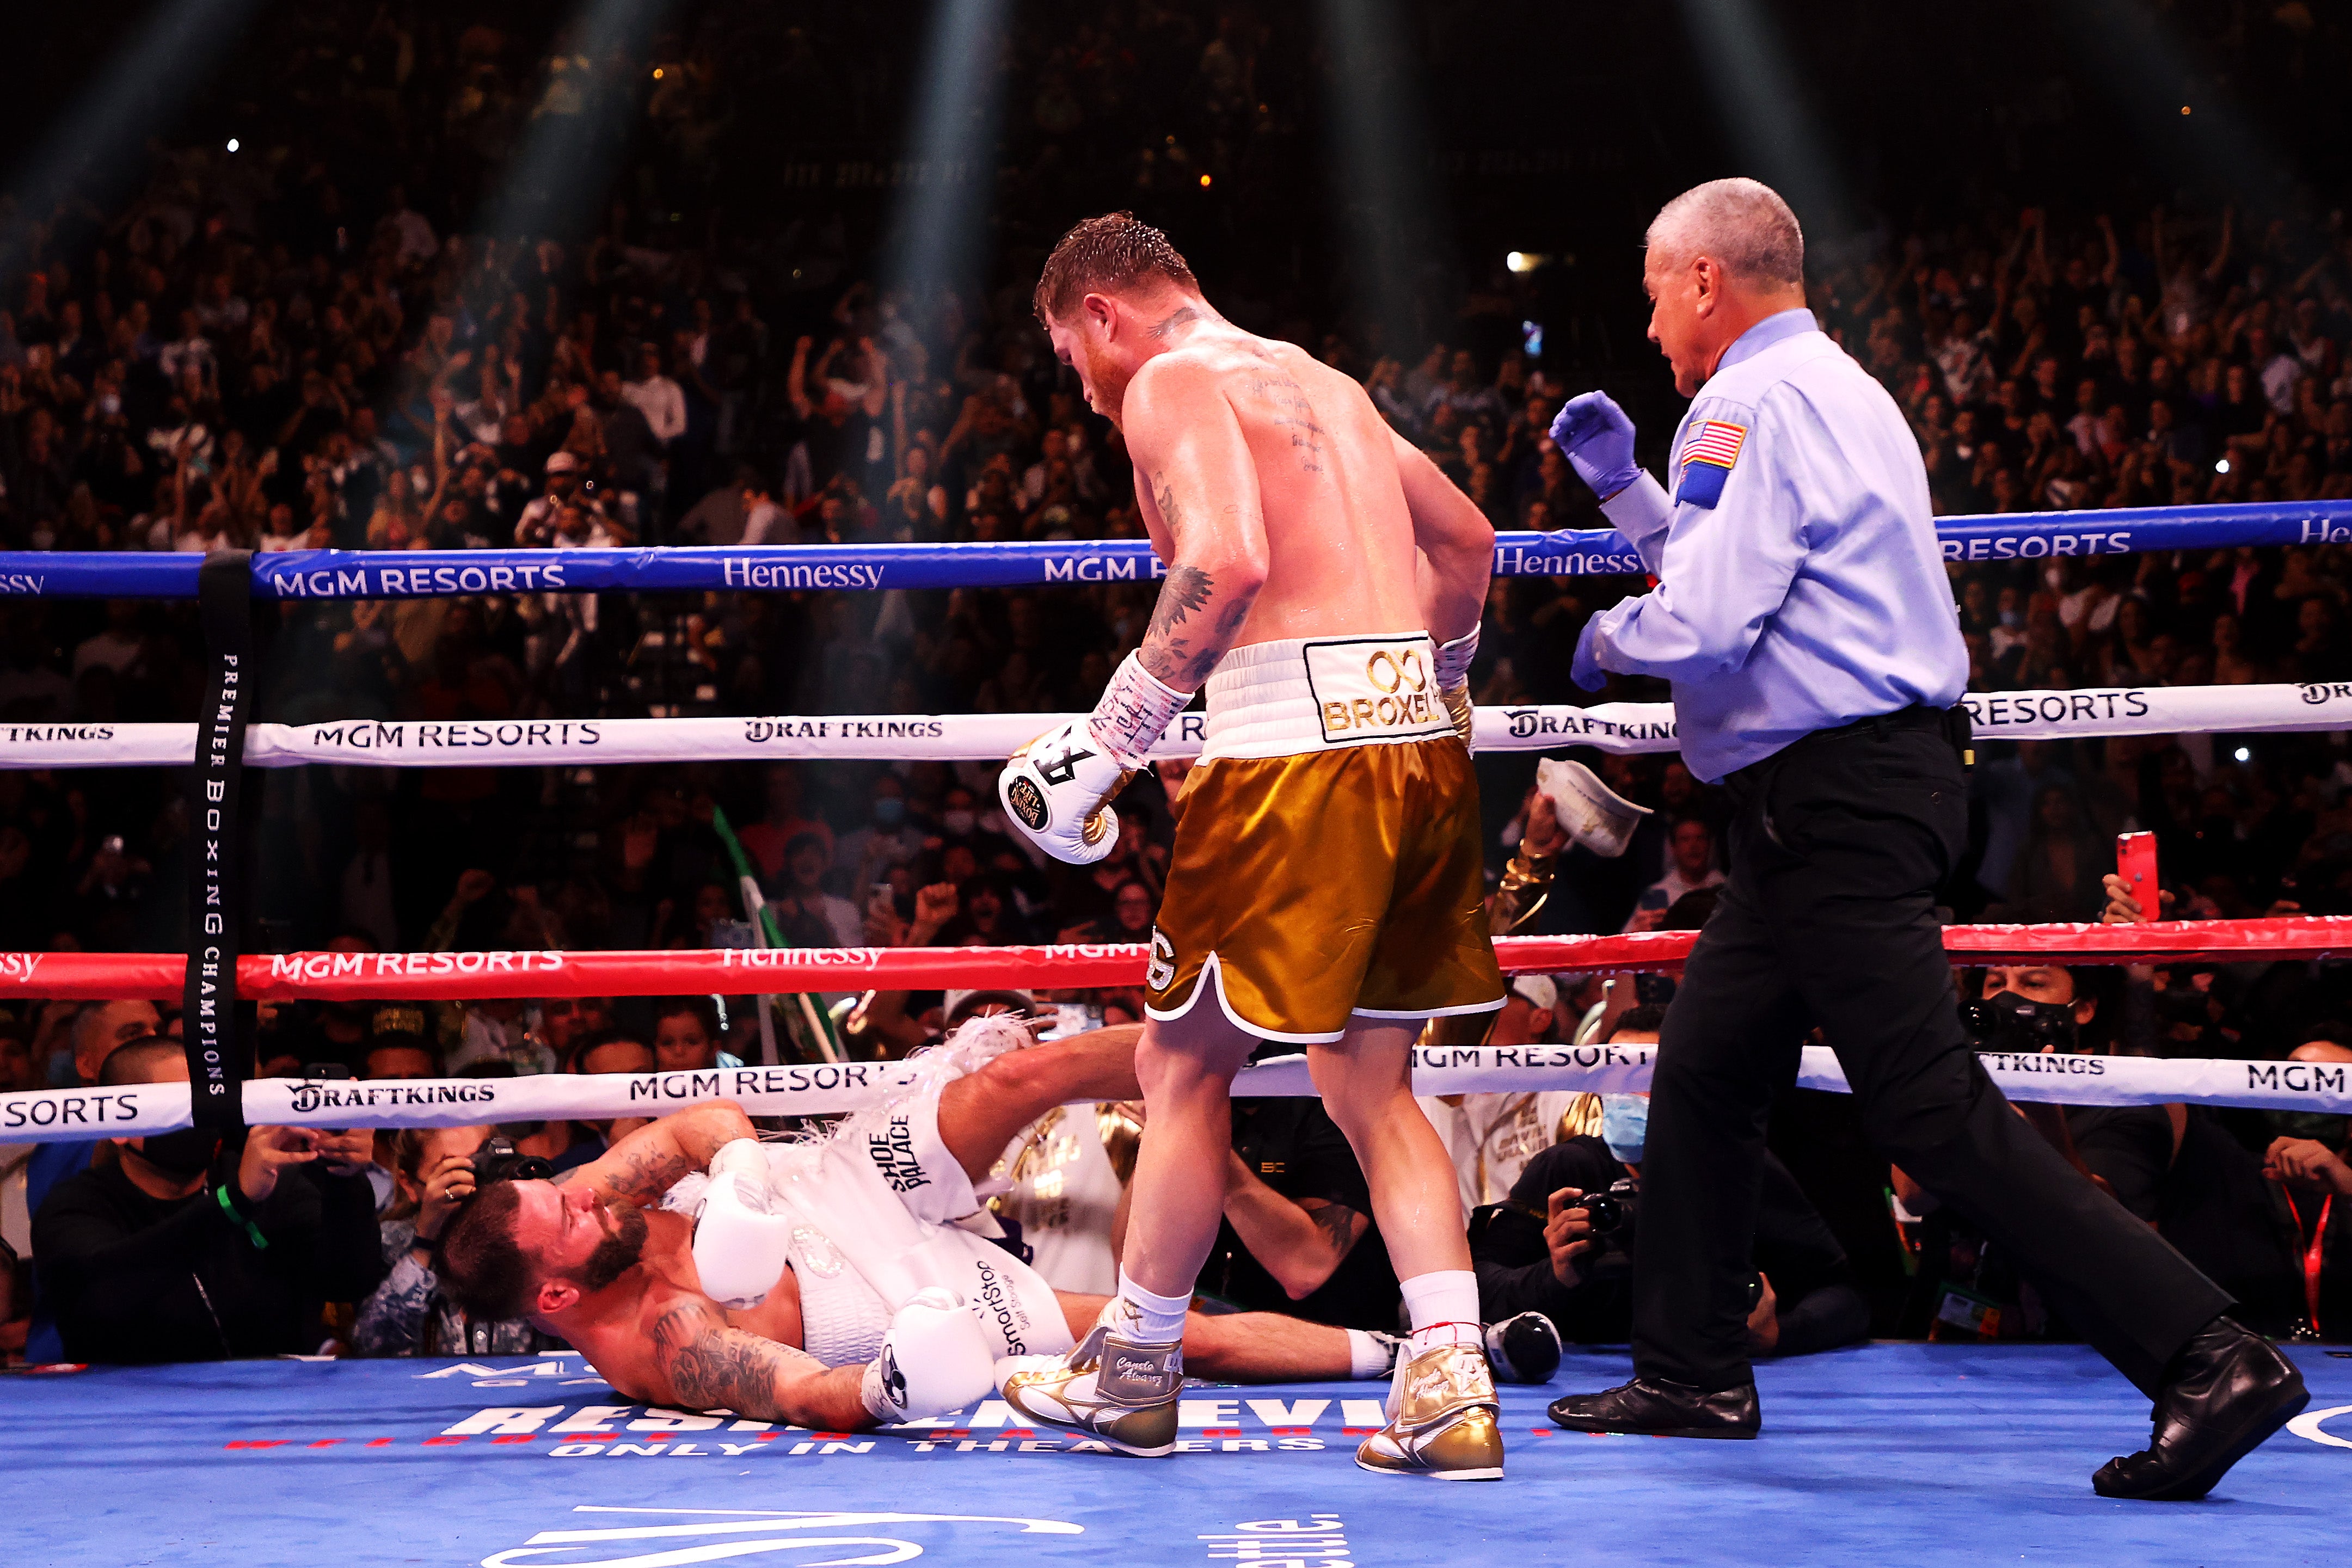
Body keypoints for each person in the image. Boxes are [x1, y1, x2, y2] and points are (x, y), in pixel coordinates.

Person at [1543, 176, 2304, 1502]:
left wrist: (1601, 640)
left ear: (1708, 282)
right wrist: (1626, 496)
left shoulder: (1743, 399)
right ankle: (1691, 1367)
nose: (1653, 317)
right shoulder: (1836, 388)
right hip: (1827, 802)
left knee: (1932, 1111)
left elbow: (1708, 623)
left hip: (1834, 794)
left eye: (1658, 287)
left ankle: (2208, 1352)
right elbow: (1744, 572)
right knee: (1710, 1069)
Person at [993, 214, 1507, 1479]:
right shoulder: (1322, 382)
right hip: (1420, 754)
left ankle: (1132, 1369)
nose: (1086, 389)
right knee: (1369, 1085)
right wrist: (1419, 692)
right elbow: (1470, 546)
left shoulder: (1170, 377)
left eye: (1074, 359)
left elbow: (1224, 564)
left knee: (1179, 1065)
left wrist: (1107, 747)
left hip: (1293, 760)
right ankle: (1447, 1373)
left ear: (1104, 315)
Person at [431, 1018, 1546, 1434]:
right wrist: (892, 1385)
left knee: (1026, 1072)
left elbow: (697, 1120)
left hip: (831, 1181)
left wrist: (735, 1172)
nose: (585, 1193)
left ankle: (1250, 1034)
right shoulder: (666, 1345)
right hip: (869, 1309)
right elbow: (801, 1392)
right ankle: (1443, 1352)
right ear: (556, 1298)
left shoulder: (604, 1206)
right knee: (1167, 1334)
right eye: (564, 1216)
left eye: (564, 1187)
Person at [1472, 1009, 1869, 1358]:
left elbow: (1845, 1297)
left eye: (1642, 1075)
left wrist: (1778, 1333)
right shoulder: (1568, 1170)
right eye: (1614, 1076)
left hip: (1703, 1383)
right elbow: (1477, 1287)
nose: (1624, 1093)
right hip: (1570, 1379)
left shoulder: (1739, 1169)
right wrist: (1553, 1275)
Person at [33, 1036, 383, 1363]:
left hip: (274, 1407)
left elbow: (348, 1280)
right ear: (122, 1126)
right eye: (182, 1105)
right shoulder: (74, 1206)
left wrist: (345, 1180)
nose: (200, 1116)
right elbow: (102, 1300)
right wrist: (232, 1204)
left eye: (207, 1100)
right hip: (132, 1415)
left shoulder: (266, 1181)